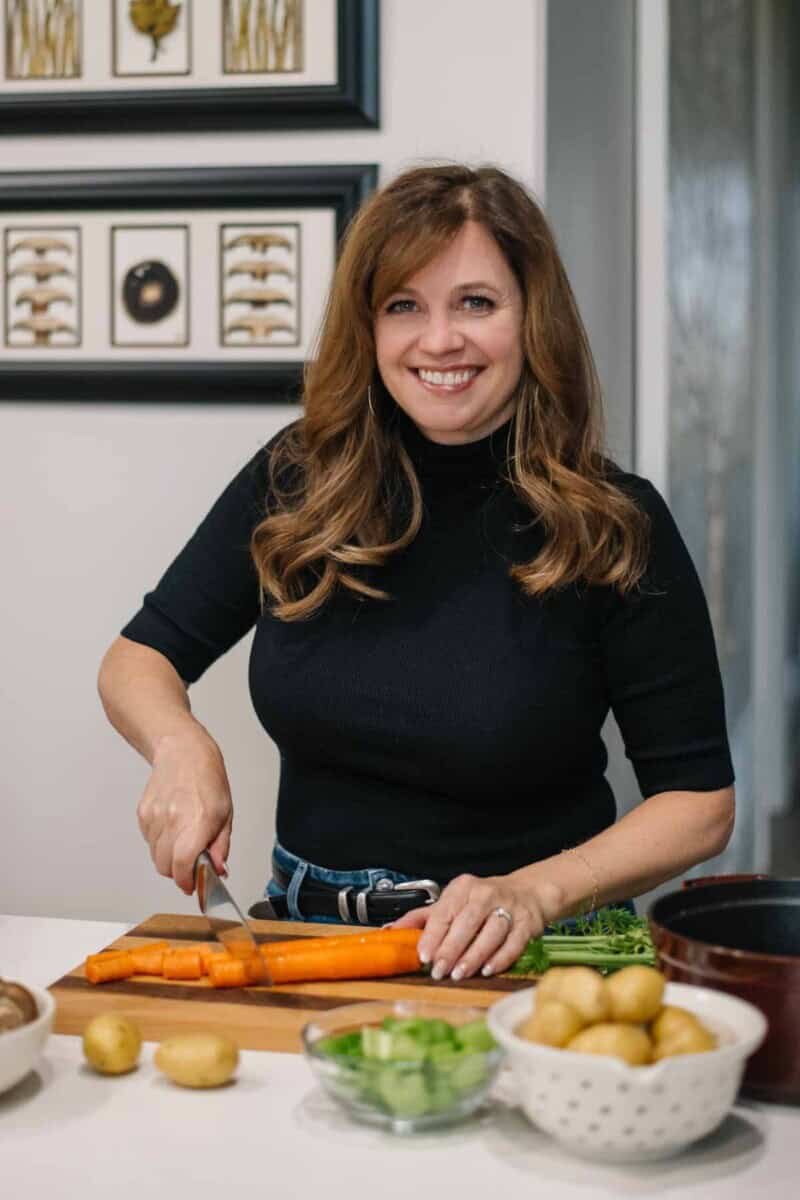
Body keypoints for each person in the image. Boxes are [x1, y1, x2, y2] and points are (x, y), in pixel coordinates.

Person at [98, 164, 735, 984]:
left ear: (532, 319)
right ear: (368, 329)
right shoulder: (297, 480)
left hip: (537, 954)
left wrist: (533, 893)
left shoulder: (615, 520)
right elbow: (137, 659)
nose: (440, 341)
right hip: (307, 935)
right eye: (405, 306)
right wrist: (178, 743)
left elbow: (700, 805)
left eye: (476, 302)